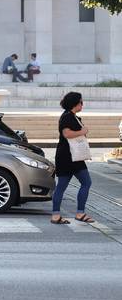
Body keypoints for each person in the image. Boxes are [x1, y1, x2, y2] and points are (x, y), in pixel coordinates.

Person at [50, 92, 94, 224]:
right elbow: (66, 134)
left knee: (61, 186)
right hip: (71, 157)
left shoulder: (71, 116)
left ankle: (56, 215)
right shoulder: (67, 117)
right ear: (75, 103)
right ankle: (80, 213)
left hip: (66, 156)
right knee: (86, 182)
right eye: (81, 102)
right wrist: (83, 131)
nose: (82, 104)